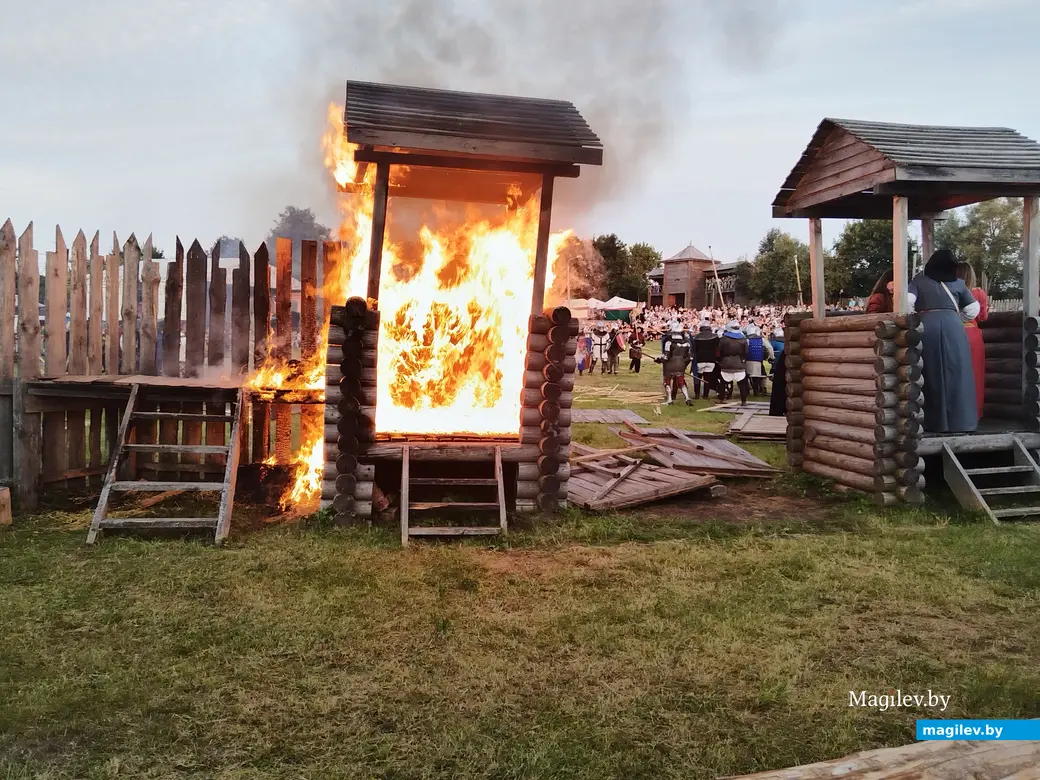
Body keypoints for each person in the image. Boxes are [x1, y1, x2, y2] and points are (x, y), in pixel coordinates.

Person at [910, 249, 980, 433]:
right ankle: (961, 422)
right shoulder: (959, 284)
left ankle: (933, 422)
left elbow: (908, 302)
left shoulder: (918, 281)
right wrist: (957, 319)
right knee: (958, 374)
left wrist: (917, 319)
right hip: (954, 328)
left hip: (926, 327)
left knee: (929, 373)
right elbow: (973, 309)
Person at [956, 261, 988, 418]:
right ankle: (976, 412)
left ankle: (958, 413)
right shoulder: (979, 293)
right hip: (973, 334)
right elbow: (983, 316)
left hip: (954, 333)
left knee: (956, 374)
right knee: (975, 374)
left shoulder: (952, 290)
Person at [657, 320, 693, 405]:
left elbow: (666, 356)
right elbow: (689, 357)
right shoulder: (687, 343)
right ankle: (687, 397)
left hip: (670, 364)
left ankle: (669, 400)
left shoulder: (669, 343)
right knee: (681, 382)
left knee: (667, 381)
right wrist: (684, 365)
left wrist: (658, 360)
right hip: (681, 364)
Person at [718, 320, 750, 405]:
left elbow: (719, 352)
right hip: (739, 362)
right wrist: (743, 359)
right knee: (742, 384)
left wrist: (721, 360)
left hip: (726, 362)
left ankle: (722, 398)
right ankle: (744, 400)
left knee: (723, 382)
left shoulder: (723, 339)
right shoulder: (743, 339)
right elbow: (746, 352)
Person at [744, 323, 775, 396]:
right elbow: (770, 348)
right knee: (762, 374)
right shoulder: (762, 340)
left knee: (746, 376)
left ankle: (749, 388)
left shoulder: (746, 340)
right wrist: (772, 357)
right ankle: (762, 389)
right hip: (758, 362)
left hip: (747, 361)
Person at [692, 318, 719, 399]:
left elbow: (694, 350)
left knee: (698, 378)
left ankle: (697, 395)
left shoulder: (696, 338)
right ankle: (705, 395)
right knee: (707, 378)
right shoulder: (715, 337)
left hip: (699, 360)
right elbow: (717, 349)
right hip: (711, 360)